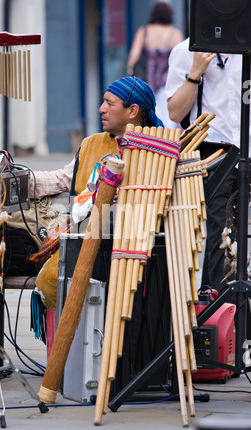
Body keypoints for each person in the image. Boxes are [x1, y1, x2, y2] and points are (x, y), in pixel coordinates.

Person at [31, 76, 164, 315]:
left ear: (133, 110)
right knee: (51, 278)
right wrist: (19, 180)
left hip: (133, 245)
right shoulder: (91, 143)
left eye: (110, 104)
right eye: (103, 102)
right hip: (83, 239)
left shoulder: (156, 149)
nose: (101, 109)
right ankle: (72, 346)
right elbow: (62, 179)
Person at [165, 37, 246, 293]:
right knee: (220, 233)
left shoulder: (245, 46)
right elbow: (176, 113)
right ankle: (221, 307)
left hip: (247, 143)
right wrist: (195, 73)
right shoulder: (186, 50)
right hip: (214, 151)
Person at [126, 2, 183, 128]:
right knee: (167, 119)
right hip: (166, 81)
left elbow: (133, 55)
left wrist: (129, 70)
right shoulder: (174, 33)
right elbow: (179, 59)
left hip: (147, 80)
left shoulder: (144, 31)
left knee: (149, 116)